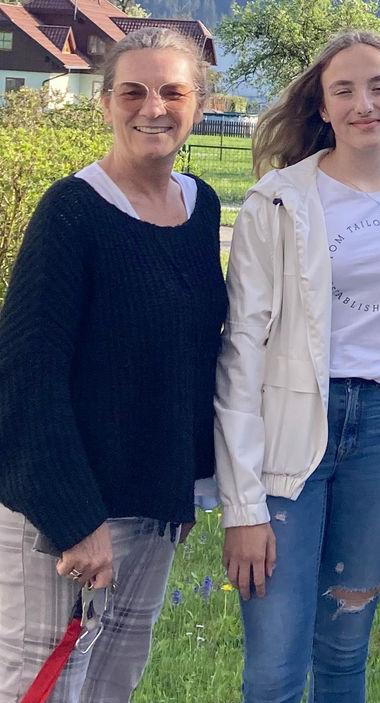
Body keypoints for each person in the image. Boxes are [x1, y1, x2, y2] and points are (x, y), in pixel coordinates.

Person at [212, 30, 380, 702]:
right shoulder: (277, 202)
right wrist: (243, 505)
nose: (363, 104)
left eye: (379, 87)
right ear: (322, 108)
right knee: (275, 662)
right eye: (343, 90)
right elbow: (242, 350)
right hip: (291, 424)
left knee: (346, 647)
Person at [0, 27, 225, 701]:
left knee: (110, 686)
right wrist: (75, 518)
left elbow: (192, 353)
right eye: (132, 92)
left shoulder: (200, 206)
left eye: (172, 92)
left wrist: (186, 483)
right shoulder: (72, 212)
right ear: (104, 105)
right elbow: (27, 376)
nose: (153, 107)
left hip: (151, 506)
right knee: (39, 686)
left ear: (200, 105)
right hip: (63, 513)